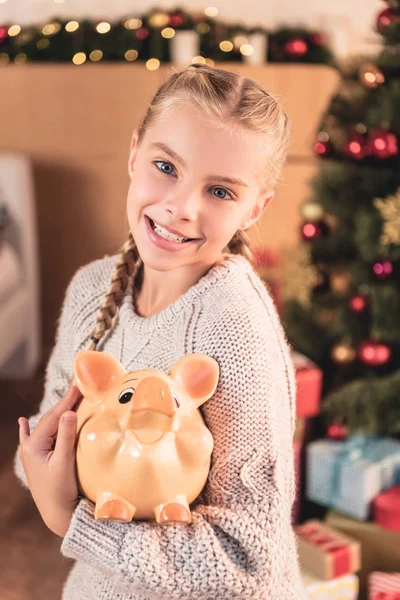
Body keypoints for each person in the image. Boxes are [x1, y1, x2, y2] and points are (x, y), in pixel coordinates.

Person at [14, 63, 309, 600]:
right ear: (134, 153)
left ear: (254, 209)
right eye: (166, 166)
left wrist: (70, 519)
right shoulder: (90, 289)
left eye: (220, 192)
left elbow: (249, 562)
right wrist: (38, 462)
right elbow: (40, 445)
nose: (181, 206)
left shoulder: (233, 327)